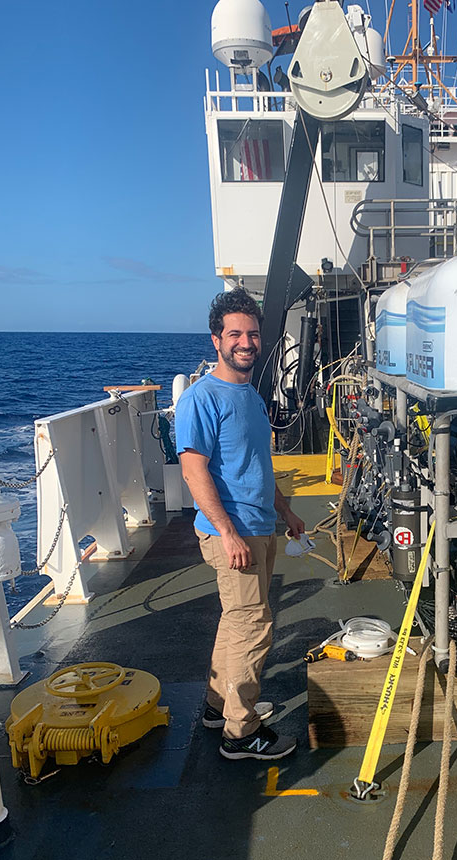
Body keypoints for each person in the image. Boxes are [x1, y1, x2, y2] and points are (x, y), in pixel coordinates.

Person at [176, 289, 305, 761]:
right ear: (217, 340)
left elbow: (258, 464)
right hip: (234, 533)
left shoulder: (250, 396)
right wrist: (228, 534)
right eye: (235, 334)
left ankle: (218, 706)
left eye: (252, 333)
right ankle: (240, 731)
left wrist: (285, 511)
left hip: (260, 525)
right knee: (253, 627)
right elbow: (194, 470)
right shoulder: (201, 399)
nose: (245, 342)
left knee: (236, 623)